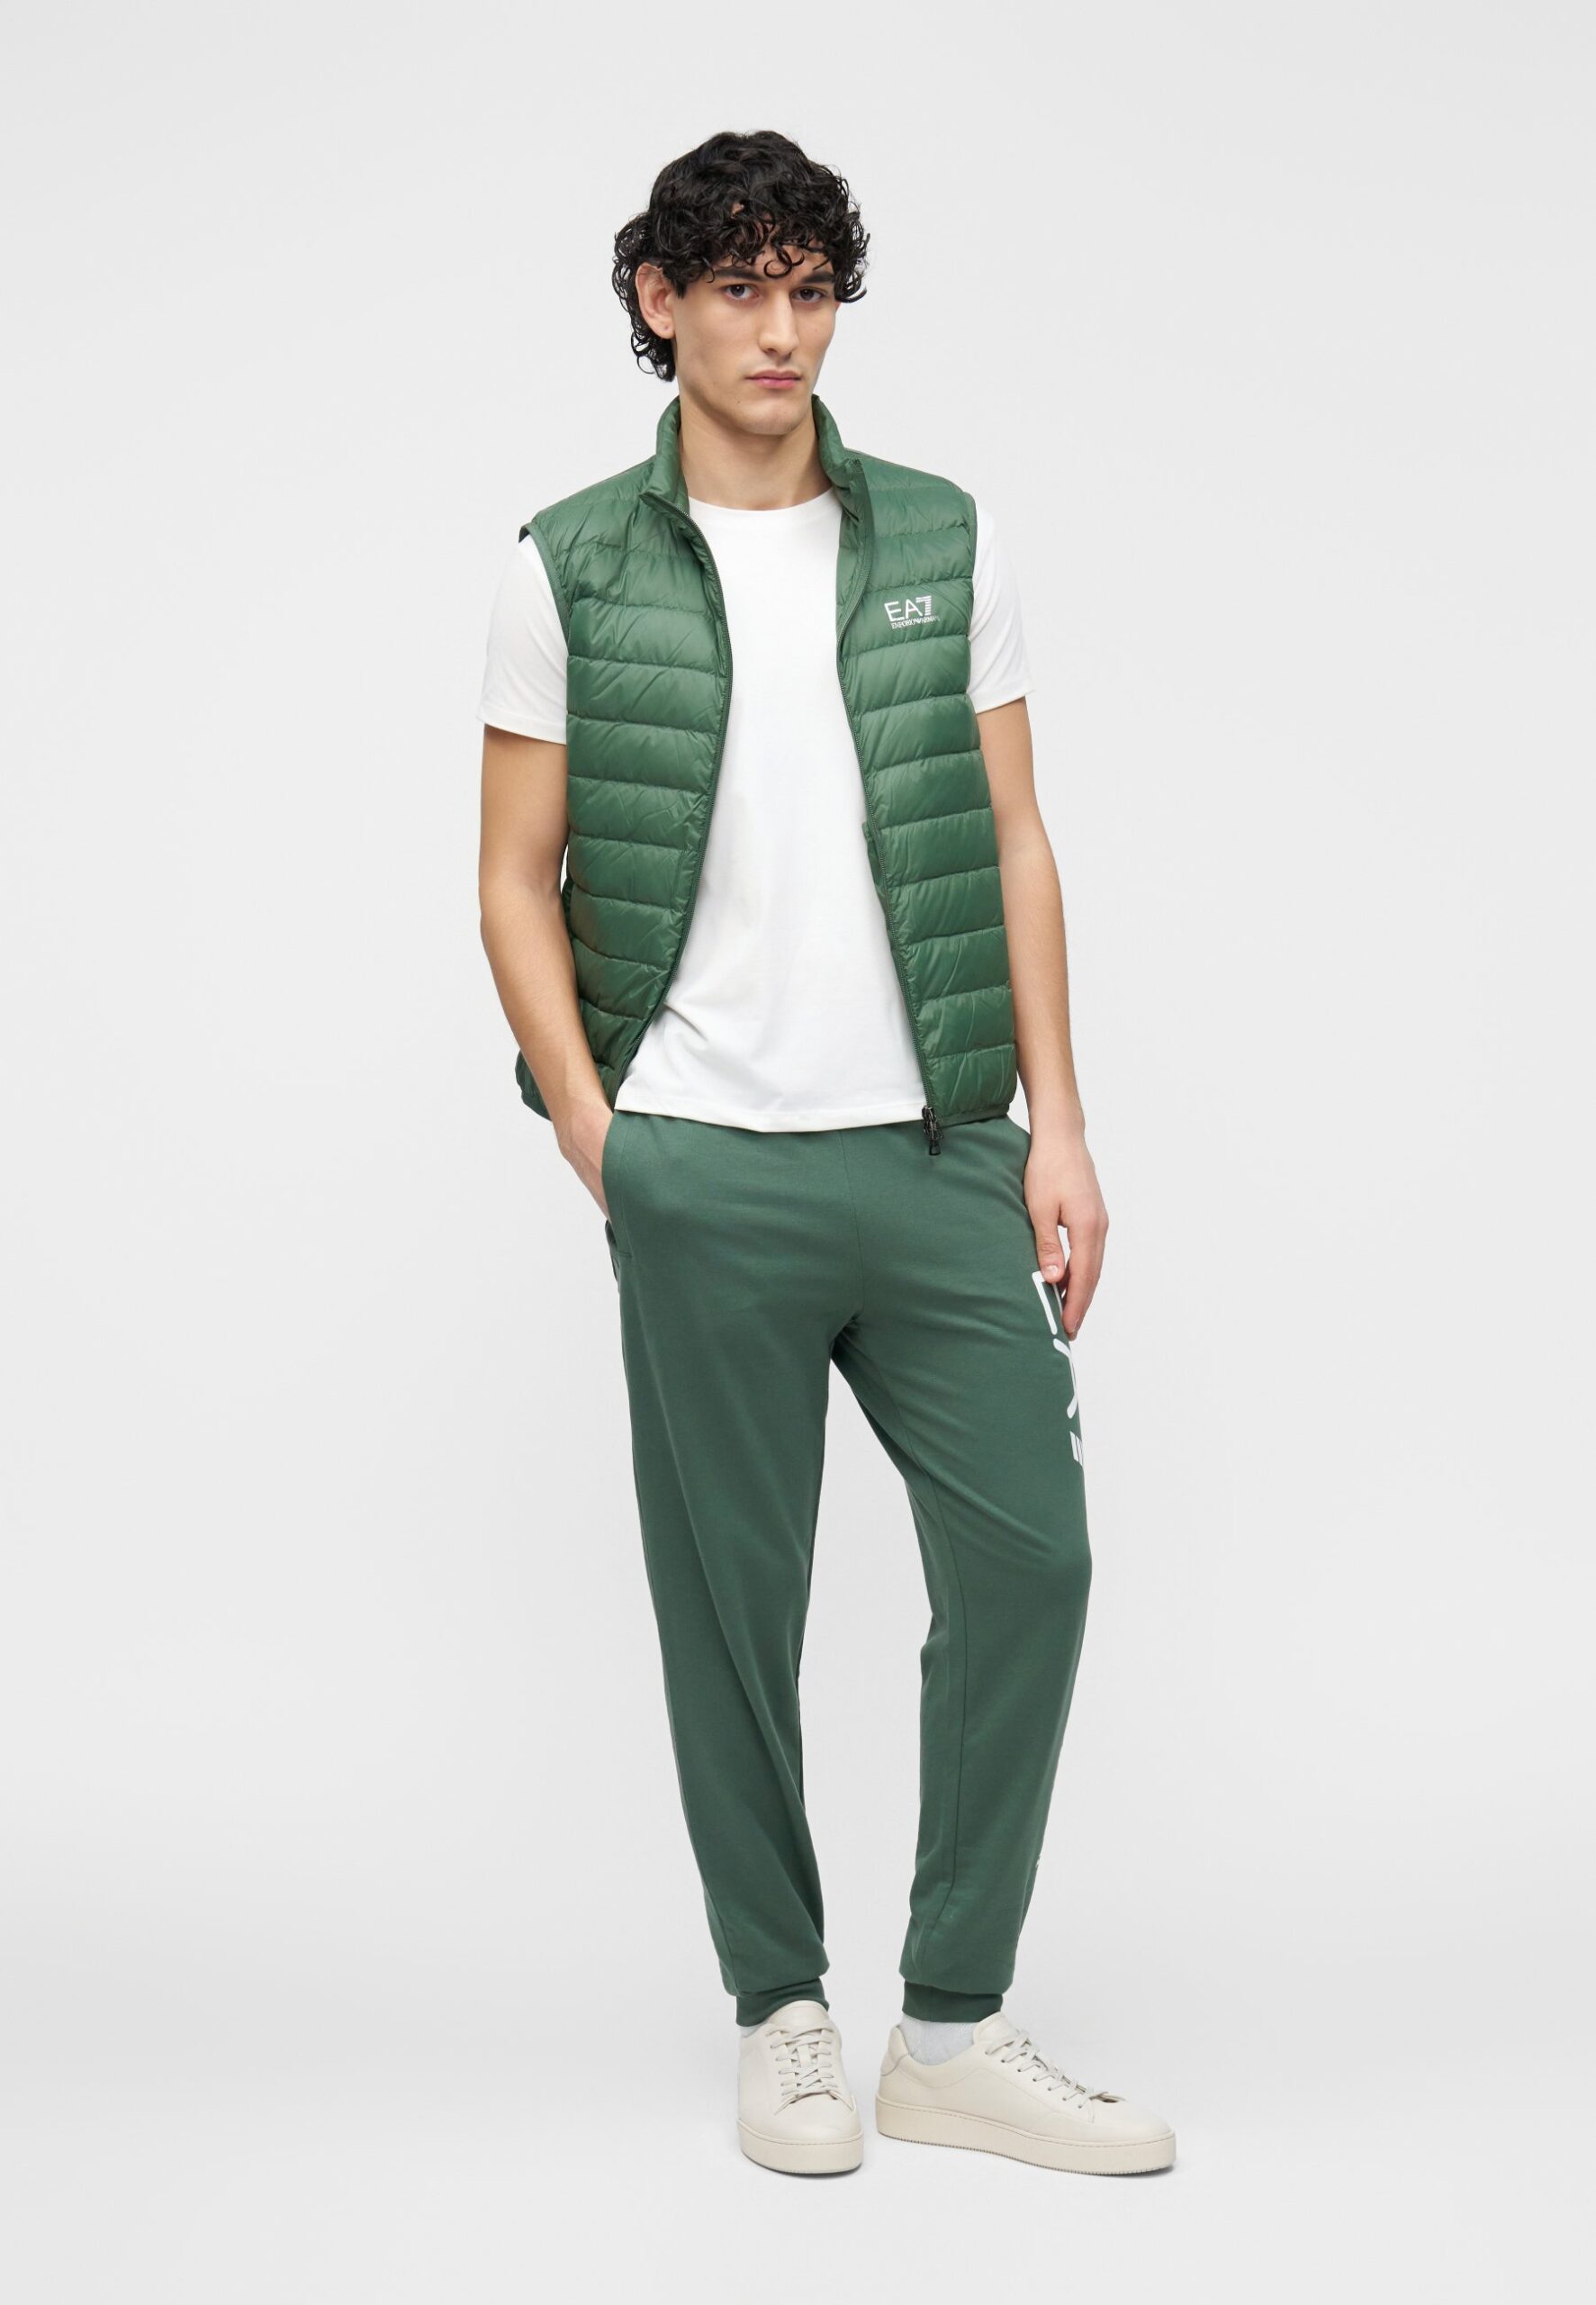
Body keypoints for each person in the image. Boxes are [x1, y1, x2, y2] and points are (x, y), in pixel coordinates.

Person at [477, 129, 1173, 2179]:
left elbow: (1016, 836)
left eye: (810, 289)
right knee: (732, 1613)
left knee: (1030, 1562)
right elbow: (512, 876)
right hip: (703, 1163)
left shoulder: (943, 536)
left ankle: (948, 2027)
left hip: (939, 1145)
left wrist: (1058, 1122)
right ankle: (780, 2008)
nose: (781, 330)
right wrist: (600, 1131)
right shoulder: (564, 565)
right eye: (740, 288)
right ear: (658, 302)